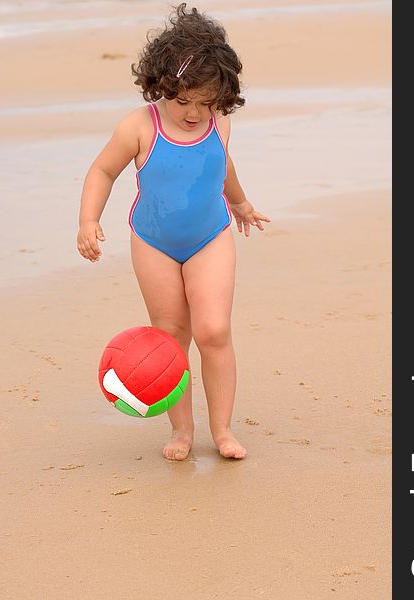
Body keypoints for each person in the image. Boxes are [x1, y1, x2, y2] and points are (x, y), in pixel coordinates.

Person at [77, 3, 271, 461]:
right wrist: (89, 220)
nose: (193, 112)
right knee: (170, 334)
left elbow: (220, 164)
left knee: (214, 329)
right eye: (182, 100)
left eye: (206, 103)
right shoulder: (139, 126)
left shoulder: (219, 123)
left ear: (222, 96)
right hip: (154, 242)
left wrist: (240, 201)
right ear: (161, 86)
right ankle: (181, 430)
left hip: (210, 237)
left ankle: (221, 430)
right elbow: (102, 172)